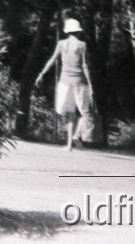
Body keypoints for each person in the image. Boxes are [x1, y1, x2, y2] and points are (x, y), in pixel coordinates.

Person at [34, 17, 96, 150]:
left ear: (67, 32)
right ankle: (76, 135)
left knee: (69, 114)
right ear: (78, 32)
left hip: (64, 82)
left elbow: (52, 60)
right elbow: (85, 65)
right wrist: (90, 84)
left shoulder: (61, 44)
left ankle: (69, 145)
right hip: (80, 82)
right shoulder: (82, 45)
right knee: (86, 113)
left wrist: (41, 74)